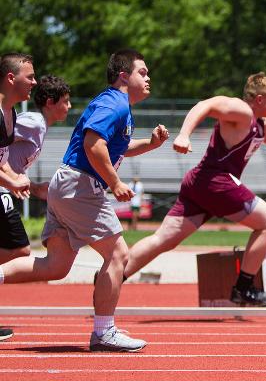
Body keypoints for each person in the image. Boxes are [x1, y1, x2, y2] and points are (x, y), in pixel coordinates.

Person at [0, 49, 169, 352]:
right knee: (118, 255)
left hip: (67, 185)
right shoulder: (115, 103)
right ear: (123, 75)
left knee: (56, 266)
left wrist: (150, 144)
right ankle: (104, 332)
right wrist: (115, 183)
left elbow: (118, 146)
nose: (148, 78)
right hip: (80, 187)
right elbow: (94, 144)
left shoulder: (116, 105)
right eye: (142, 72)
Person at [122, 72, 266, 306]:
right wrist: (184, 135)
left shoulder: (263, 124)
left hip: (201, 184)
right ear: (259, 99)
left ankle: (113, 276)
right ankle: (244, 288)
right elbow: (205, 105)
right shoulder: (242, 111)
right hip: (216, 180)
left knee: (163, 240)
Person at [0, 53, 36, 342]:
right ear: (11, 78)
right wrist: (12, 180)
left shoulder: (10, 112)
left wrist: (13, 179)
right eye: (30, 76)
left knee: (19, 251)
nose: (34, 82)